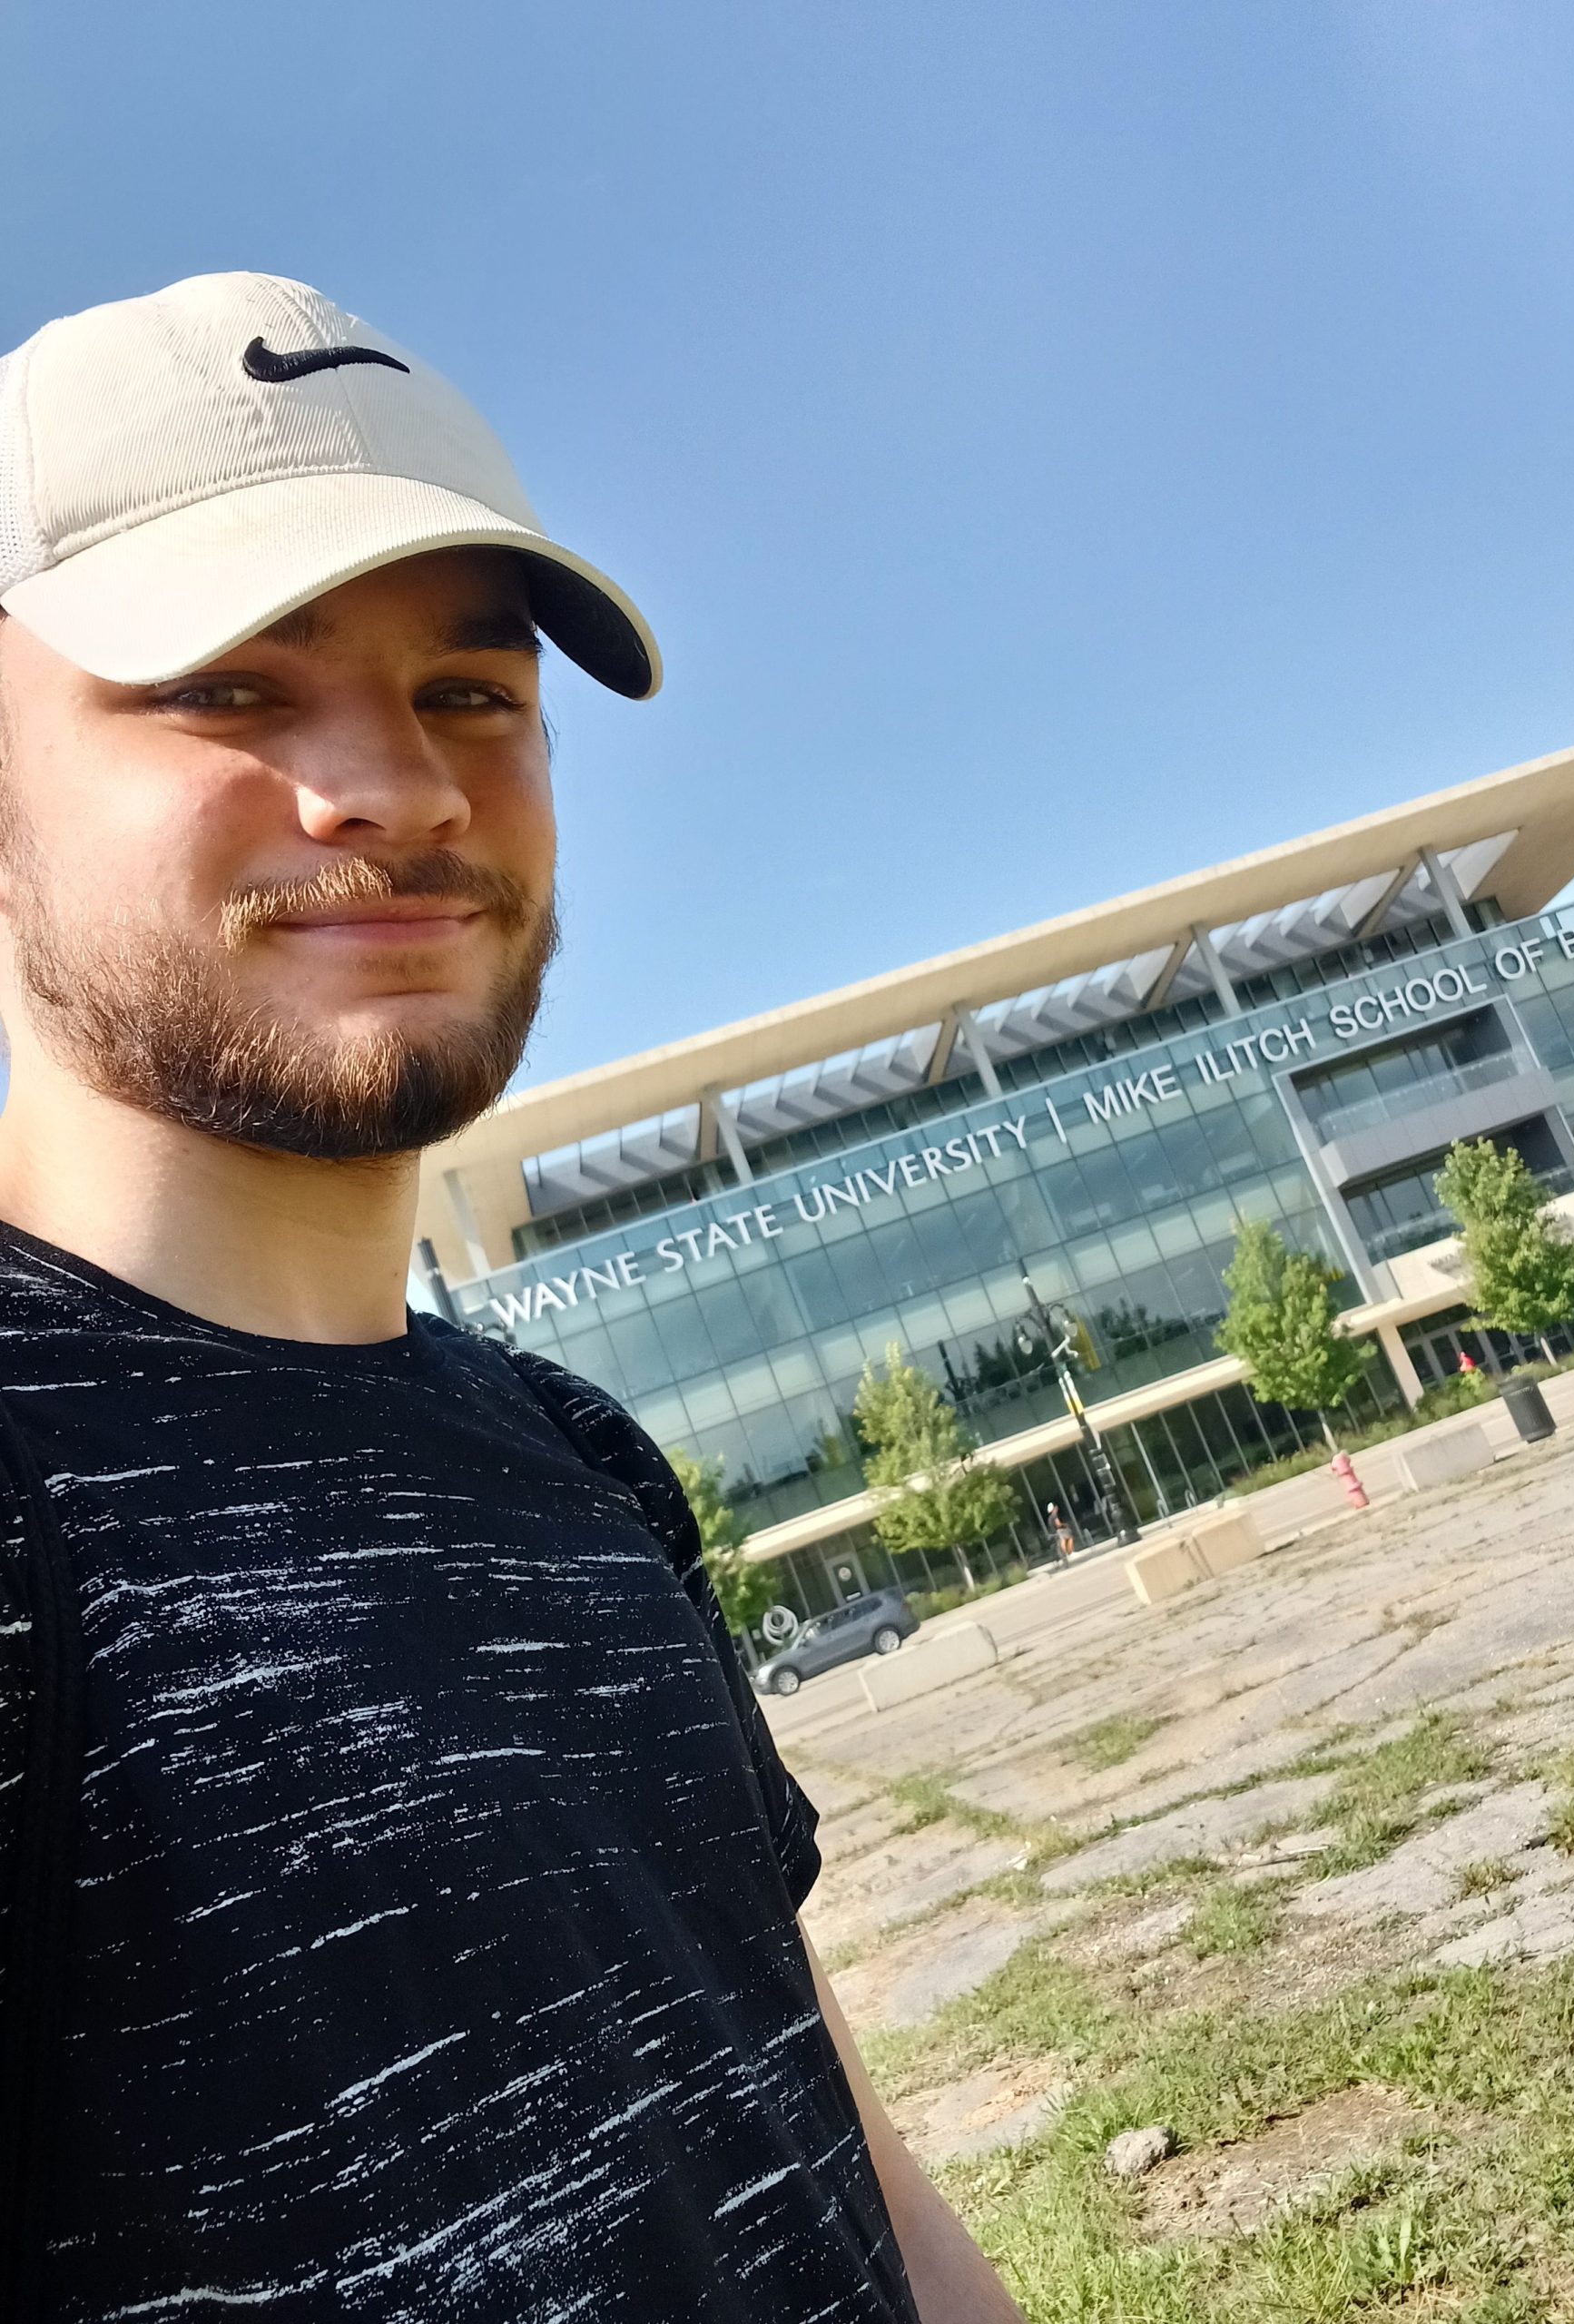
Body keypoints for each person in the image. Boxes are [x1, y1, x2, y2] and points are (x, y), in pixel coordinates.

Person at [0, 274, 1023, 2321]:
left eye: (471, 693)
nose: (397, 787)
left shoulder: (571, 1450)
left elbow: (800, 2087)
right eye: (227, 685)